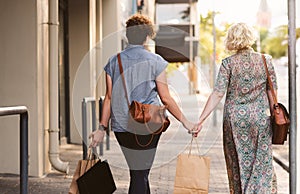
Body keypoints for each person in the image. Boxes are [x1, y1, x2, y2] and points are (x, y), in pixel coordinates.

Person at [89, 14, 196, 194]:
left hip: (122, 125)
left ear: (127, 35)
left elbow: (108, 97)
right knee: (140, 174)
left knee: (138, 172)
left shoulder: (114, 61)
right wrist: (187, 123)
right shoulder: (156, 61)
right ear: (147, 36)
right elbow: (166, 98)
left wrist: (101, 128)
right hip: (149, 124)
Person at [194, 23, 278, 193]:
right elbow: (273, 94)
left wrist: (200, 120)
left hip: (235, 121)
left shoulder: (228, 63)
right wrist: (277, 118)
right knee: (261, 162)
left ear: (231, 39)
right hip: (260, 119)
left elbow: (217, 94)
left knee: (237, 160)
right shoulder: (265, 60)